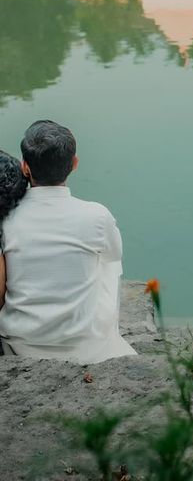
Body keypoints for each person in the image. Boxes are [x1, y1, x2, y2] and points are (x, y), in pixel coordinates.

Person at [0, 121, 136, 363]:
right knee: (107, 262)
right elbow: (115, 257)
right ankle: (102, 334)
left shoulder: (7, 218)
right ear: (74, 164)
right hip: (83, 343)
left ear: (25, 167)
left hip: (19, 342)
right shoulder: (96, 215)